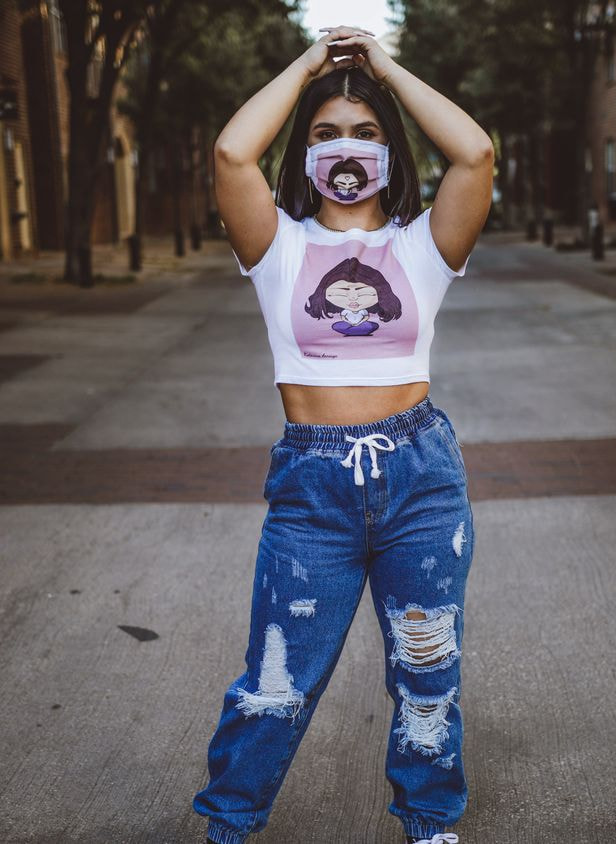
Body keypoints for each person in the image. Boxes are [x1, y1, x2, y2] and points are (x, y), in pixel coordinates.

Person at [193, 23, 493, 844]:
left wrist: (384, 72)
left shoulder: (420, 245)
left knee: (427, 675)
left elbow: (472, 155)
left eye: (363, 135)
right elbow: (230, 154)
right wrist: (310, 66)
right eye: (325, 135)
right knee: (274, 681)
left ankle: (429, 825)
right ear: (302, 154)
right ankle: (228, 825)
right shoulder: (277, 248)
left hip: (420, 479)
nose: (345, 148)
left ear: (390, 150)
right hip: (312, 492)